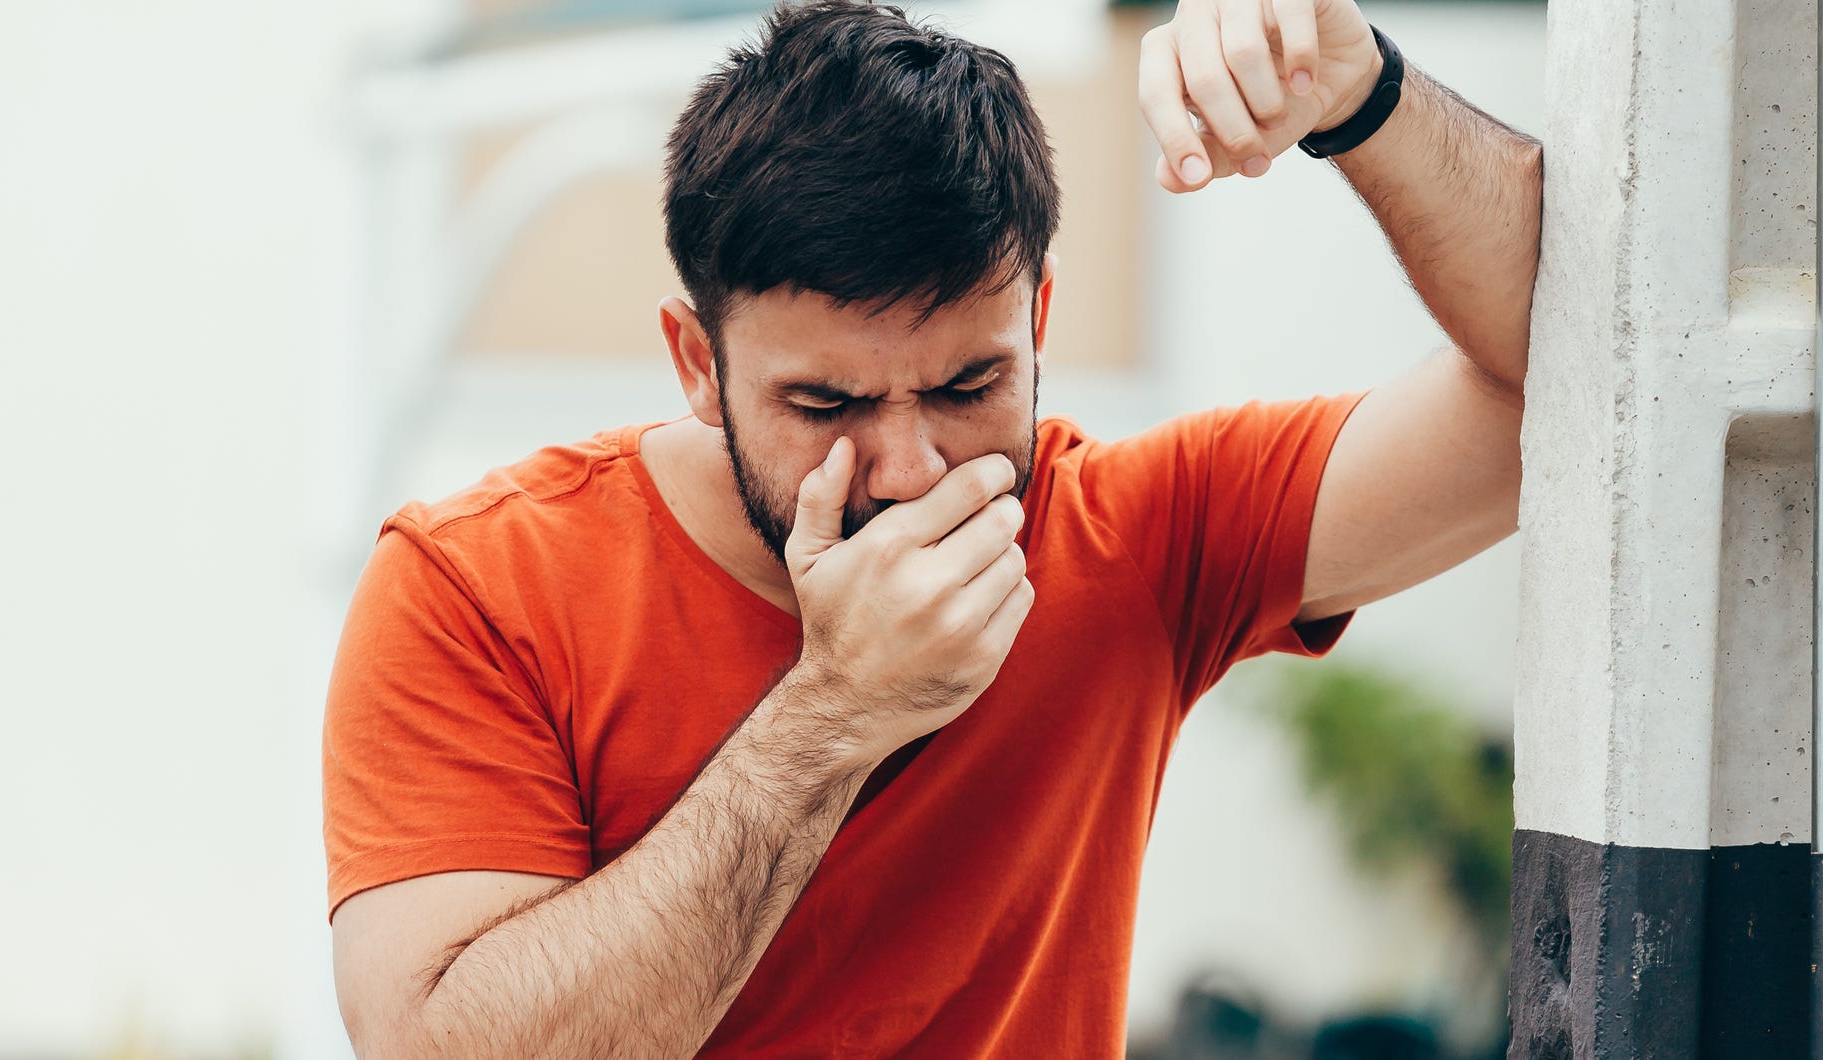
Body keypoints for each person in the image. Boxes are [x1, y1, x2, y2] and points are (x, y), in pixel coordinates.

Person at [323, 0, 1540, 1054]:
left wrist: (1365, 93)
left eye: (968, 388)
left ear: (1040, 322)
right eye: (827, 404)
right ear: (698, 362)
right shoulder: (478, 582)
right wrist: (830, 716)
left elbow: (1578, 388)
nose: (910, 473)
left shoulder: (1139, 533)